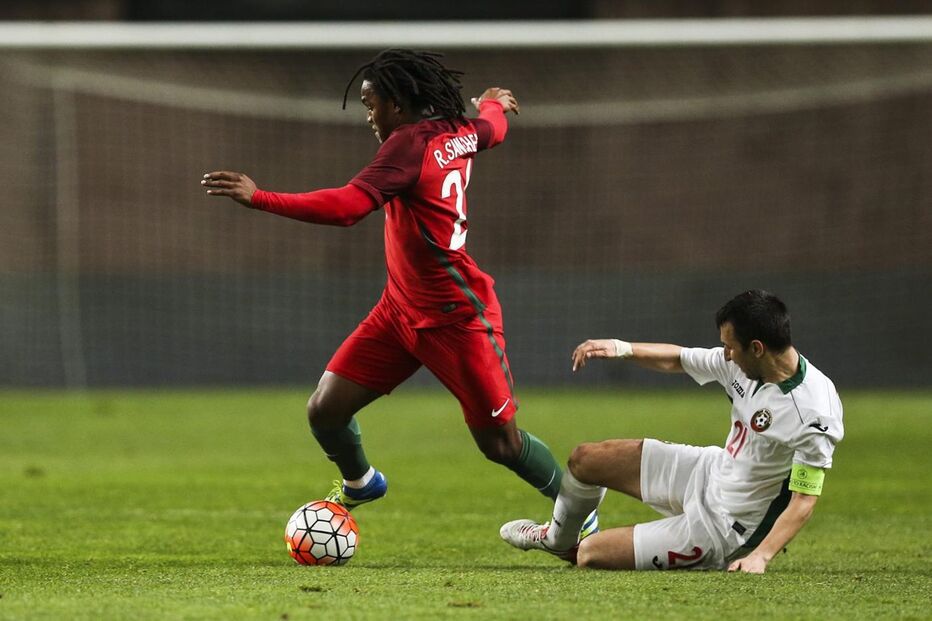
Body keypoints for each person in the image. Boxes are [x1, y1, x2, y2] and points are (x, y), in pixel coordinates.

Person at [201, 49, 595, 535]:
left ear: (400, 103)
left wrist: (261, 197)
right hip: (399, 310)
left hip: (457, 319)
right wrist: (491, 103)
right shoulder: (458, 130)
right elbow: (494, 128)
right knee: (325, 410)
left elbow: (348, 206)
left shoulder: (407, 146)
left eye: (372, 105)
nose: (370, 116)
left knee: (502, 445)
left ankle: (577, 509)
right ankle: (362, 482)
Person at [500, 290, 843, 573]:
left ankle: (583, 545)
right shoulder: (743, 365)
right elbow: (679, 359)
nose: (725, 354)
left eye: (730, 347)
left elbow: (804, 501)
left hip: (726, 527)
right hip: (709, 470)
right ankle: (556, 539)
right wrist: (621, 348)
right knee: (585, 460)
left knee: (589, 554)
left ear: (757, 348)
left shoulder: (813, 412)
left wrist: (760, 556)